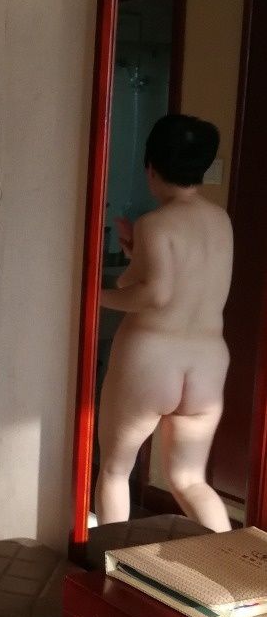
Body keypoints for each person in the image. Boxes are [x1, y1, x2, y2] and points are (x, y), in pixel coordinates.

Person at [96, 113, 233, 532]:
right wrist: (134, 254)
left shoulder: (155, 223)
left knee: (116, 470)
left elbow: (154, 294)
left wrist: (95, 297)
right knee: (190, 480)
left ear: (150, 167)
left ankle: (111, 565)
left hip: (153, 356)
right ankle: (228, 564)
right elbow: (172, 280)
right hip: (207, 360)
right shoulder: (221, 220)